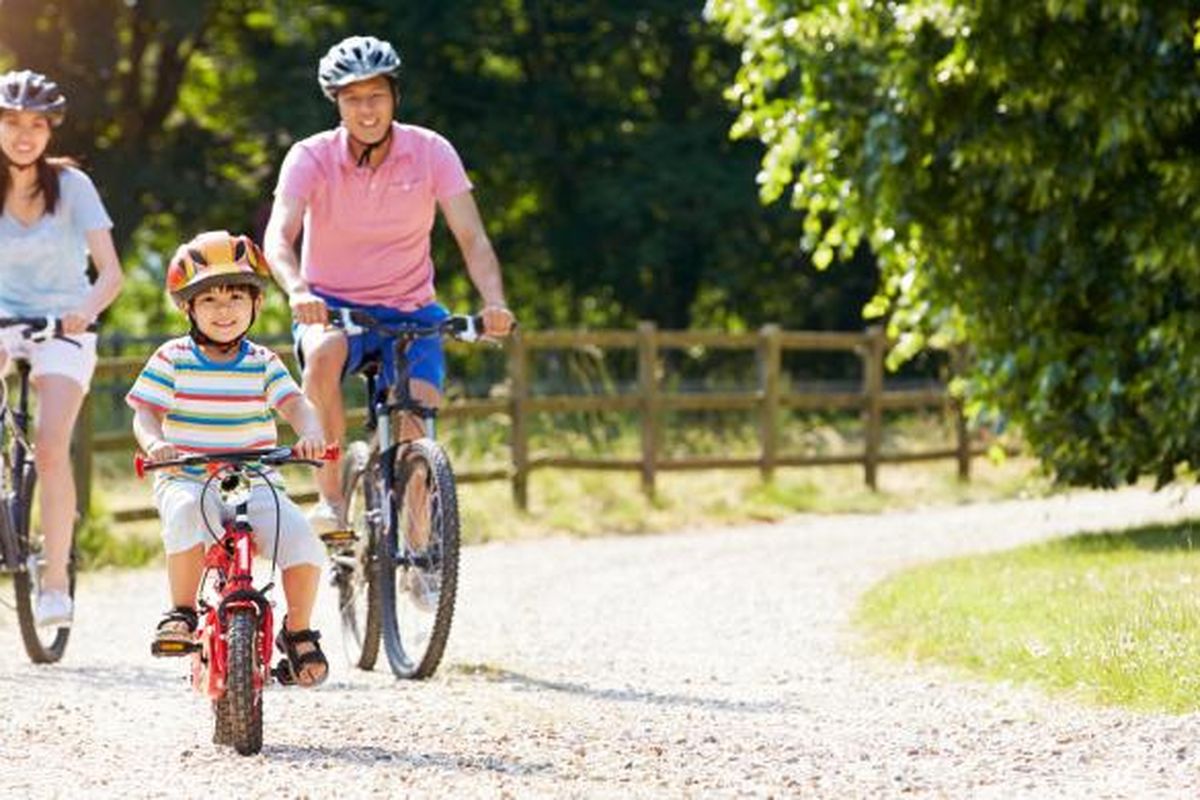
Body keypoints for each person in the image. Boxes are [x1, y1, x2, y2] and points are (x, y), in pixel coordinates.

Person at [263, 35, 515, 532]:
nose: (366, 109)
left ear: (394, 96)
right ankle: (332, 498)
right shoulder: (309, 157)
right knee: (323, 353)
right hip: (332, 307)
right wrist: (297, 290)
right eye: (353, 98)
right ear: (336, 102)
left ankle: (420, 543)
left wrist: (494, 302)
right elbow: (278, 235)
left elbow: (472, 237)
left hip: (412, 309)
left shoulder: (431, 152)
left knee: (416, 413)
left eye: (376, 95)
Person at [126, 231, 329, 687]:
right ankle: (179, 611)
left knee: (302, 541)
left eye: (237, 296)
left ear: (256, 303)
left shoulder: (263, 361)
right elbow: (146, 413)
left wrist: (311, 433)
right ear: (188, 309)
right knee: (182, 515)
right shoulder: (172, 357)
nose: (224, 309)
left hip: (254, 478)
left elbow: (296, 405)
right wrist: (156, 444)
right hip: (189, 475)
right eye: (210, 299)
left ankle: (298, 632)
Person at [0, 69, 123, 627]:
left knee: (50, 448)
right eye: (10, 122)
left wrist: (84, 311)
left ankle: (54, 586)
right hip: (3, 321)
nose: (23, 134)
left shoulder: (72, 187)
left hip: (64, 324)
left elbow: (112, 275)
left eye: (35, 124)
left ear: (50, 131)